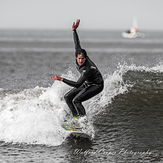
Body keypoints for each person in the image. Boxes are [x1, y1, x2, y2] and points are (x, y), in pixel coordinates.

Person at [51, 19, 104, 119]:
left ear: (86, 58)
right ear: (76, 57)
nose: (81, 61)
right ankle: (75, 118)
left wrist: (61, 79)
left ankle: (83, 123)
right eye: (79, 58)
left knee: (77, 100)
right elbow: (77, 43)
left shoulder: (87, 69)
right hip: (88, 83)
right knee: (67, 97)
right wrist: (74, 30)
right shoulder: (78, 54)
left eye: (83, 58)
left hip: (97, 85)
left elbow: (77, 84)